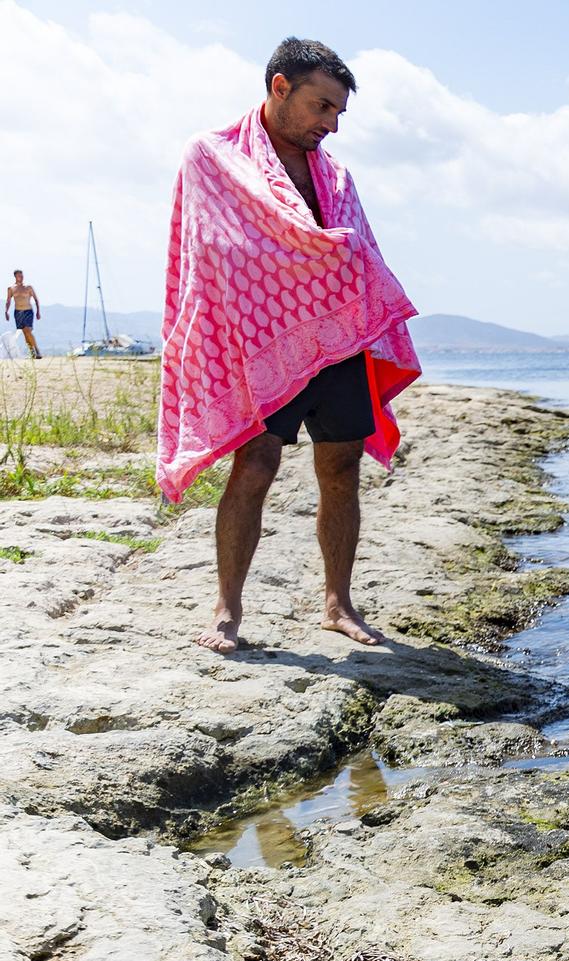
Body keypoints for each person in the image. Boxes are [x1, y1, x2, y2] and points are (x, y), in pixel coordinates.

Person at [156, 37, 421, 654]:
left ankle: (338, 604)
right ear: (280, 87)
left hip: (336, 342)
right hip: (256, 342)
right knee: (255, 466)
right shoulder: (212, 157)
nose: (330, 124)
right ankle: (227, 609)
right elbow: (207, 256)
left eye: (338, 114)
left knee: (342, 465)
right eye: (322, 107)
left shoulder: (334, 174)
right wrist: (284, 271)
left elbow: (357, 253)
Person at [6, 271, 40, 358]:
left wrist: (38, 312)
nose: (21, 277)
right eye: (19, 276)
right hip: (18, 312)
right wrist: (6, 311)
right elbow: (8, 301)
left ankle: (37, 350)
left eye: (22, 276)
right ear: (15, 277)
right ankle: (32, 352)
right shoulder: (11, 288)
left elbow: (36, 299)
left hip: (28, 311)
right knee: (25, 333)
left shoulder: (28, 287)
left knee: (28, 330)